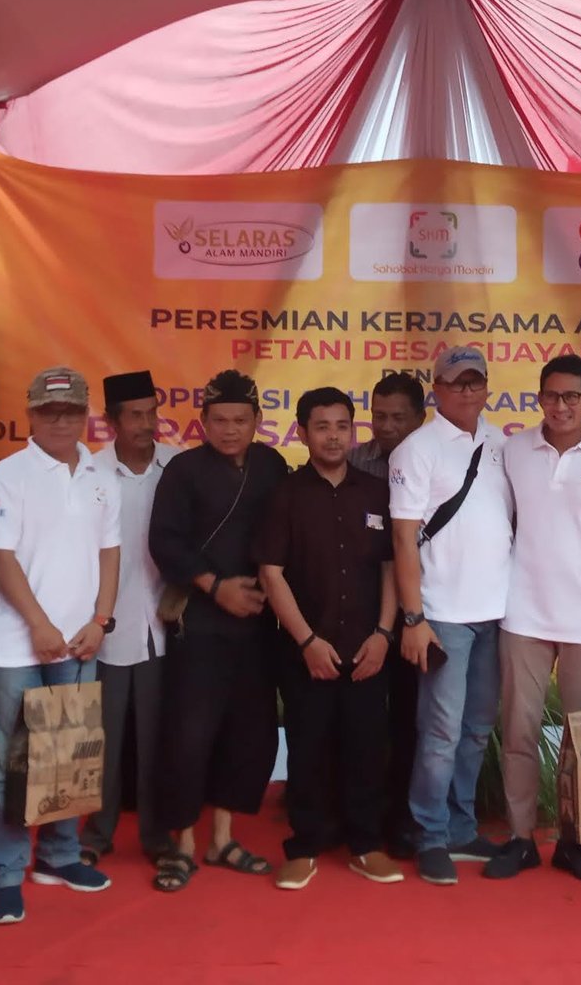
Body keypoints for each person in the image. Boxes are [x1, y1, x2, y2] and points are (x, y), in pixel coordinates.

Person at [485, 354, 581, 884]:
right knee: (518, 731)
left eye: (572, 396)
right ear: (539, 398)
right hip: (523, 614)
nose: (561, 405)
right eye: (551, 395)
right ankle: (521, 839)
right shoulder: (515, 450)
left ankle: (575, 843)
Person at [0, 367, 119, 924]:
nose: (60, 421)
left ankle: (59, 857)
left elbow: (110, 551)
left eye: (70, 411)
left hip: (81, 640)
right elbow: (0, 558)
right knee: (10, 763)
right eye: (48, 411)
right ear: (30, 414)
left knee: (71, 754)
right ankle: (6, 873)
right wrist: (38, 625)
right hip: (19, 642)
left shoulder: (101, 475)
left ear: (86, 414)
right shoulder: (7, 475)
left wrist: (101, 619)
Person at [148, 369, 289, 892]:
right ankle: (182, 842)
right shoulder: (183, 471)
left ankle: (223, 838)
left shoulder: (272, 466)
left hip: (257, 622)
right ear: (203, 422)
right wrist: (215, 586)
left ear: (257, 421)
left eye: (240, 420)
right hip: (201, 620)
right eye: (220, 420)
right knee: (189, 735)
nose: (230, 430)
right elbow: (165, 542)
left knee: (247, 733)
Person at [255, 386, 402, 890]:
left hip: (368, 648)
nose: (333, 436)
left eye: (342, 426)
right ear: (302, 432)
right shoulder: (285, 495)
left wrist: (384, 634)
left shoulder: (376, 492)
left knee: (367, 748)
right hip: (306, 652)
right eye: (322, 427)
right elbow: (271, 573)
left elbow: (392, 566)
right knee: (307, 748)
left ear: (353, 430)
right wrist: (306, 642)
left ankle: (366, 845)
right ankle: (304, 846)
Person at [390, 346, 514, 886]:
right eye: (456, 382)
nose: (466, 390)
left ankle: (462, 828)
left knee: (477, 729)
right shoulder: (416, 450)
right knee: (440, 732)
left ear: (487, 387)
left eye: (475, 381)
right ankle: (430, 835)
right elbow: (402, 539)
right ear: (435, 389)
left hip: (498, 613)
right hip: (441, 615)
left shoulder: (502, 444)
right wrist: (413, 618)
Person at [80, 370, 177, 867]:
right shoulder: (89, 473)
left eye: (151, 413)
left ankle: (157, 836)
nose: (146, 424)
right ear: (111, 421)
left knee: (158, 740)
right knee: (102, 739)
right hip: (105, 629)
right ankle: (96, 834)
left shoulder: (177, 467)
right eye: (135, 415)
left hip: (163, 627)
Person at [347, 371, 428, 859]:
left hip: (421, 611)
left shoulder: (436, 459)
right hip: (364, 609)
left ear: (420, 418)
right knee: (363, 721)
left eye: (399, 417)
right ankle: (358, 813)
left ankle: (404, 817)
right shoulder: (355, 461)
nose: (387, 426)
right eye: (379, 416)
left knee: (410, 718)